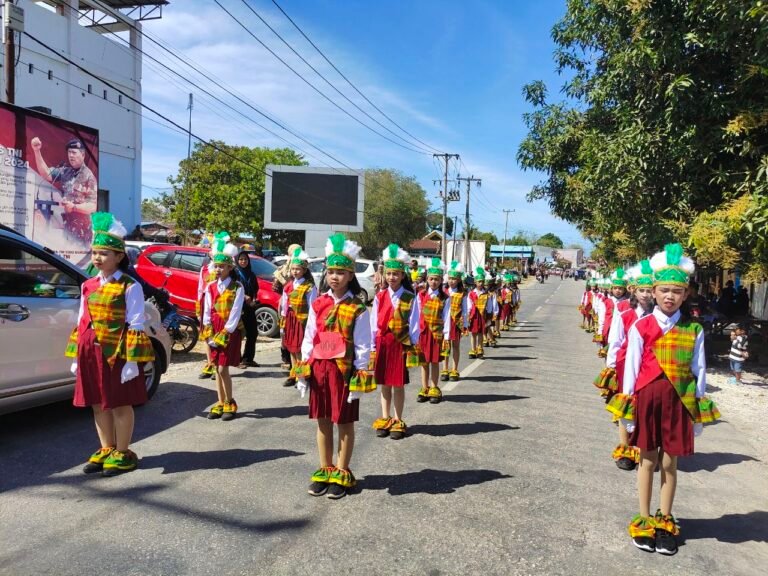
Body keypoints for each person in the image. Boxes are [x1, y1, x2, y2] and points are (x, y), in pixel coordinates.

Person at [607, 244, 720, 556]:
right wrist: (626, 411)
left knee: (670, 464)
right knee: (647, 461)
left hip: (679, 404)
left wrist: (698, 411)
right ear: (653, 292)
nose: (670, 296)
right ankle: (643, 518)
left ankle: (664, 519)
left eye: (677, 291)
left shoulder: (693, 329)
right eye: (664, 290)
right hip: (648, 401)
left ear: (686, 294)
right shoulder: (641, 326)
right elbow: (630, 369)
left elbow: (699, 370)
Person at [65, 212, 154, 476]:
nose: (97, 258)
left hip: (116, 351)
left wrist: (132, 362)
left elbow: (136, 323)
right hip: (89, 349)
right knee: (97, 402)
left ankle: (123, 451)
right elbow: (83, 319)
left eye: (104, 253)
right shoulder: (88, 285)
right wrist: (75, 357)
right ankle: (106, 447)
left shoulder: (130, 286)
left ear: (119, 256)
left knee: (119, 403)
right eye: (94, 252)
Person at [296, 233, 374, 499]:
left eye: (341, 272)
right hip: (320, 368)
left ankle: (342, 471)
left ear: (351, 275)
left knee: (345, 422)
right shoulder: (318, 303)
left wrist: (359, 378)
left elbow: (364, 345)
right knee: (323, 421)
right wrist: (303, 372)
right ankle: (325, 468)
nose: (335, 277)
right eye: (331, 271)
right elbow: (309, 337)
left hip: (344, 372)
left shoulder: (359, 308)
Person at [595, 261, 654, 471]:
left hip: (648, 367)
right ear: (633, 291)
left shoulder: (658, 316)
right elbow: (616, 340)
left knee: (646, 408)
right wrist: (611, 365)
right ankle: (626, 450)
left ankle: (645, 448)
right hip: (625, 365)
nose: (646, 295)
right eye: (642, 290)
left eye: (649, 290)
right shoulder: (625, 313)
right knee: (626, 407)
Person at [371, 244, 420, 440]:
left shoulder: (410, 297)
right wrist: (374, 345)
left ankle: (398, 420)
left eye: (396, 274)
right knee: (384, 384)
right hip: (383, 342)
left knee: (398, 384)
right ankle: (385, 417)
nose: (392, 277)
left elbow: (415, 322)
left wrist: (412, 345)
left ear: (403, 275)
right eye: (389, 273)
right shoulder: (380, 296)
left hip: (400, 344)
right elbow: (374, 322)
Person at [202, 235, 244, 421]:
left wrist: (226, 331)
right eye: (216, 266)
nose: (218, 269)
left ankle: (230, 401)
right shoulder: (210, 286)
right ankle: (220, 401)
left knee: (222, 369)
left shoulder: (237, 287)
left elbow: (236, 312)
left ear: (230, 268)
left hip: (228, 330)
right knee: (216, 367)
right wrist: (208, 331)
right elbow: (207, 310)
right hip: (214, 329)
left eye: (222, 266)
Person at [280, 247, 318, 388]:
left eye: (298, 269)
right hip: (290, 318)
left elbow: (313, 306)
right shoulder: (288, 286)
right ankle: (294, 373)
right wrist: (283, 321)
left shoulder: (309, 287)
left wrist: (310, 324)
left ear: (304, 270)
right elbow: (284, 305)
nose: (295, 271)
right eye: (293, 269)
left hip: (303, 320)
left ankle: (302, 376)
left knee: (301, 349)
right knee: (291, 348)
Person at [416, 258, 450, 404]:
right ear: (427, 279)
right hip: (423, 333)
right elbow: (416, 315)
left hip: (437, 334)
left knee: (435, 361)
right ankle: (425, 387)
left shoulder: (445, 297)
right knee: (424, 362)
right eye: (431, 279)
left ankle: (435, 387)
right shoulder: (421, 294)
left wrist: (446, 336)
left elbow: (447, 316)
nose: (433, 282)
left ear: (441, 280)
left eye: (437, 279)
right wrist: (415, 334)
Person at [273, 243, 302, 372]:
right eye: (292, 252)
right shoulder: (283, 268)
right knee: (285, 337)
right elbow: (275, 287)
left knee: (299, 342)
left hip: (300, 311)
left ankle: (300, 372)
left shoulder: (302, 266)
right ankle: (289, 365)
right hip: (285, 304)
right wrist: (280, 282)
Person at [197, 240, 220, 380]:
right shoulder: (204, 269)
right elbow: (200, 288)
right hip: (205, 303)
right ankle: (210, 364)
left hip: (219, 306)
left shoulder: (223, 270)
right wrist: (199, 310)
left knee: (217, 335)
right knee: (207, 335)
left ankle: (218, 364)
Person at [441, 261, 467, 382]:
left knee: (455, 346)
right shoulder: (443, 291)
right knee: (445, 346)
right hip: (444, 322)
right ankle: (445, 369)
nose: (452, 281)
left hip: (456, 322)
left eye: (454, 279)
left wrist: (465, 324)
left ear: (459, 280)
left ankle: (454, 369)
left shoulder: (462, 293)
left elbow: (465, 309)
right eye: (450, 278)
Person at [235, 249, 259, 369]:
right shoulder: (234, 273)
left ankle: (248, 359)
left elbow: (255, 289)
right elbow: (233, 289)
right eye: (241, 259)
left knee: (253, 333)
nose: (243, 261)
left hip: (250, 308)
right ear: (237, 260)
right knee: (239, 334)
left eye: (245, 259)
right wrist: (244, 296)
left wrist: (254, 299)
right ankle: (237, 360)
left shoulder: (251, 274)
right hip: (238, 308)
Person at [467, 267, 492, 359]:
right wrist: (468, 315)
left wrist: (489, 316)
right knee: (473, 333)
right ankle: (473, 349)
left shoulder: (486, 294)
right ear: (475, 282)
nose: (481, 283)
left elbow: (489, 306)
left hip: (483, 316)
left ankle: (480, 348)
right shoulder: (471, 293)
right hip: (474, 315)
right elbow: (469, 305)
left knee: (481, 333)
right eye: (479, 281)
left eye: (482, 281)